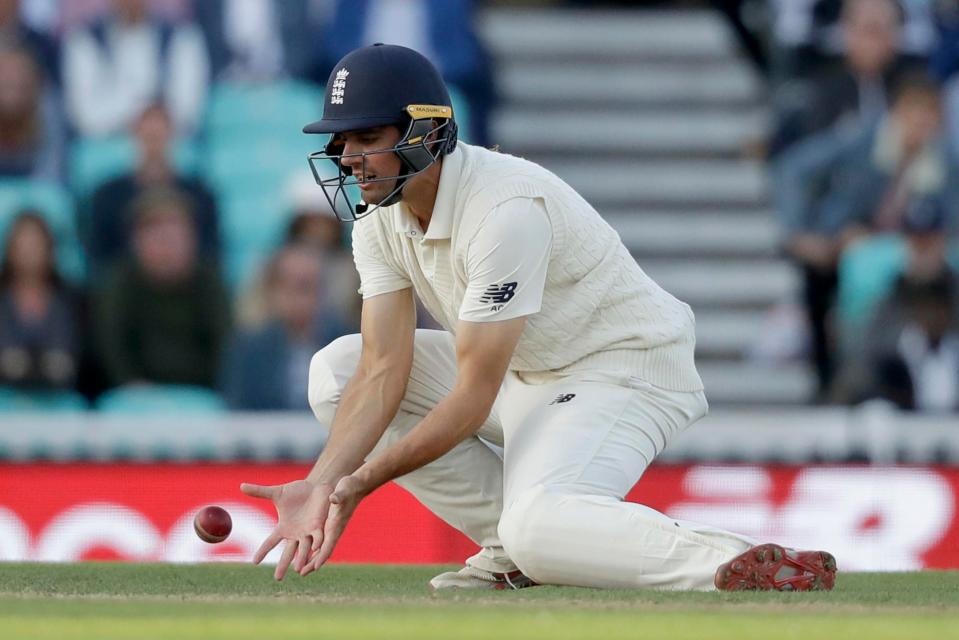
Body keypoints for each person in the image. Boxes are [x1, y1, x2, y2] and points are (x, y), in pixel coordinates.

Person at [240, 44, 838, 592]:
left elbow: (472, 397)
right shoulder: (379, 219)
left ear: (425, 132)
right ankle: (510, 552)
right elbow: (381, 369)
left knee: (539, 526)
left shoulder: (504, 209)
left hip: (621, 367)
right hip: (524, 369)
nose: (348, 160)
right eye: (341, 142)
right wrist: (323, 481)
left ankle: (731, 562)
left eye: (364, 136)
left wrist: (359, 484)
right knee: (337, 372)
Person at [773, 71, 957, 400]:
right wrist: (799, 230)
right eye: (914, 111)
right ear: (897, 111)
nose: (920, 123)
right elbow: (794, 168)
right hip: (861, 247)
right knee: (861, 271)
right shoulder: (864, 139)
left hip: (925, 248)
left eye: (929, 114)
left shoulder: (944, 157)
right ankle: (853, 371)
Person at [93, 187, 230, 389]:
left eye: (175, 231)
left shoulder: (210, 281)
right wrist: (131, 383)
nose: (166, 241)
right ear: (136, 241)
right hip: (136, 398)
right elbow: (112, 348)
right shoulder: (120, 284)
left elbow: (224, 346)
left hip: (202, 395)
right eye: (155, 231)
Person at [87, 103, 219, 278]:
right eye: (149, 135)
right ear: (135, 134)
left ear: (172, 135)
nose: (154, 141)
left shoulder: (200, 194)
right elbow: (100, 256)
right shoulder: (108, 196)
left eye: (159, 134)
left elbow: (210, 252)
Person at [220, 243, 346, 411]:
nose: (296, 297)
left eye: (305, 287)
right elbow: (237, 409)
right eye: (287, 286)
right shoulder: (249, 347)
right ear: (271, 290)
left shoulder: (346, 343)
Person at [62, 0, 209, 137]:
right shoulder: (83, 40)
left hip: (170, 150)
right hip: (106, 148)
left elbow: (186, 113)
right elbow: (85, 118)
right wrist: (145, 110)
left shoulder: (182, 37)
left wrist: (145, 125)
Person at [0, 211, 80, 390]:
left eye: (36, 244)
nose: (29, 252)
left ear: (50, 248)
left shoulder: (73, 300)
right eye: (23, 245)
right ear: (10, 249)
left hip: (61, 398)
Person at [0, 44, 64, 182]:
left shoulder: (48, 107)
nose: (12, 80)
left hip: (37, 190)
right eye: (4, 75)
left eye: (18, 73)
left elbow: (52, 171)